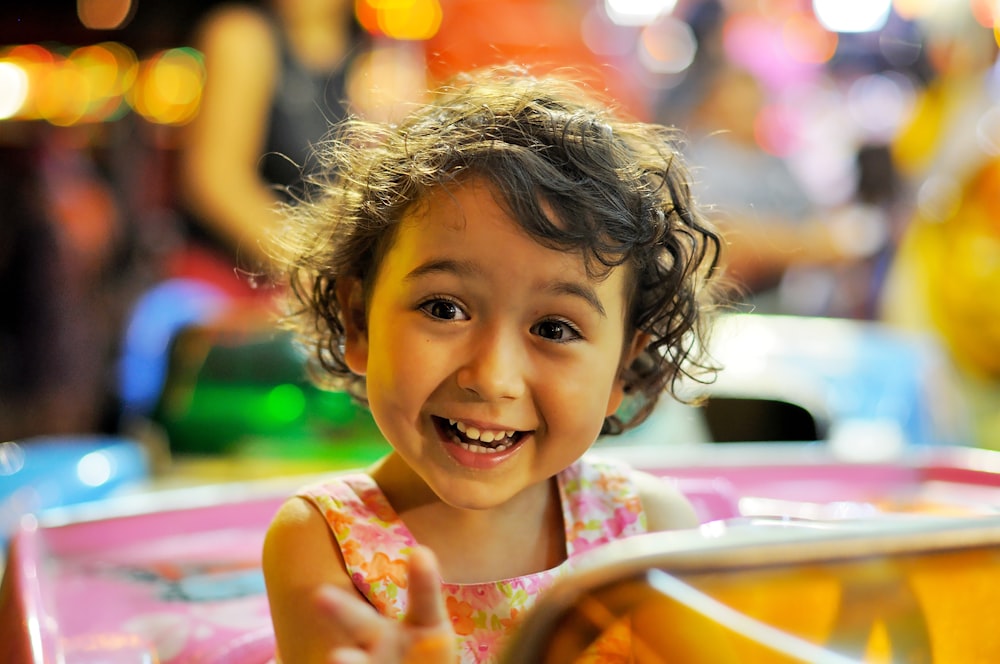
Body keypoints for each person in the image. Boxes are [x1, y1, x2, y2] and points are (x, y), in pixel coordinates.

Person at [261, 67, 724, 663]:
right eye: (445, 308)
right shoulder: (323, 542)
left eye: (554, 329)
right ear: (359, 323)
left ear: (622, 369)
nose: (492, 376)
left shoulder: (646, 532)